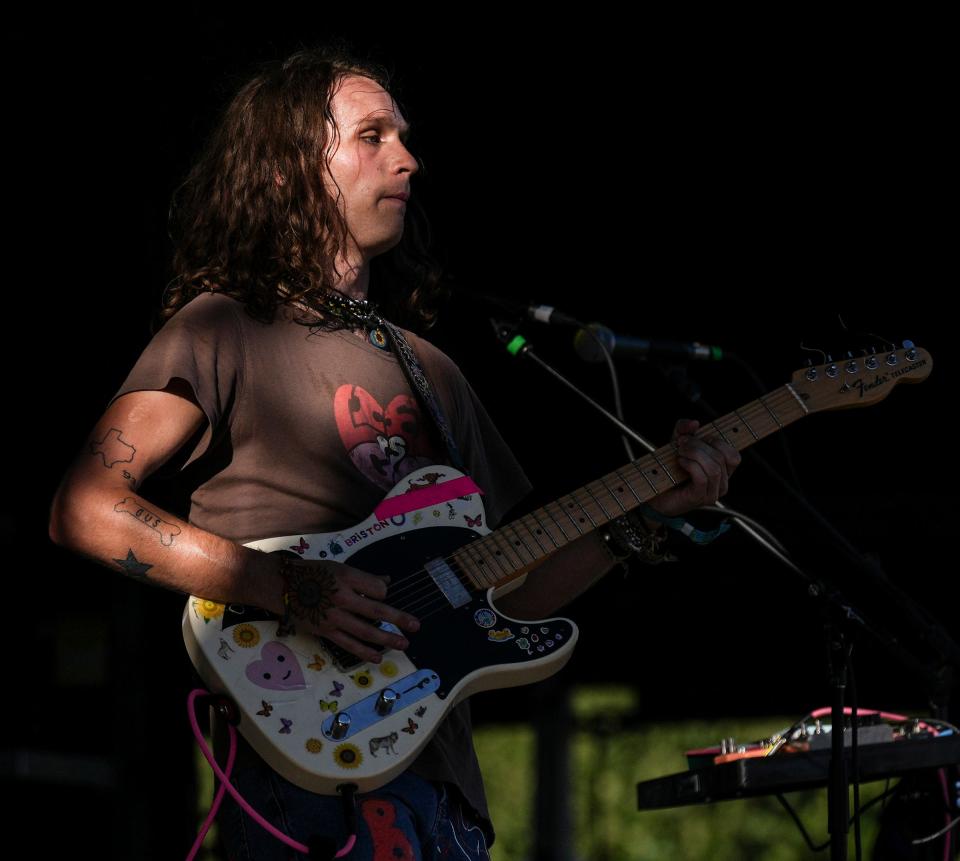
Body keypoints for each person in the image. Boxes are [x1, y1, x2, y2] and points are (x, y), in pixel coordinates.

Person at [49, 47, 740, 860]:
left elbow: (506, 598)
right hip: (304, 783)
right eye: (371, 136)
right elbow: (87, 509)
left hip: (441, 795)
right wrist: (286, 585)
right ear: (283, 170)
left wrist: (641, 516)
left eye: (403, 137)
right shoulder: (221, 328)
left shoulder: (432, 370)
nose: (407, 159)